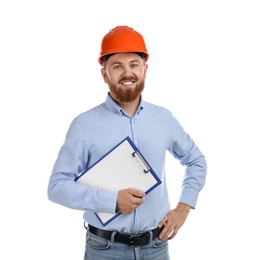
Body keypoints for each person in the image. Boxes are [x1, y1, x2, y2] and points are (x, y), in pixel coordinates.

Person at [47, 25, 207, 260]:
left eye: (134, 64)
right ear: (105, 74)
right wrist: (111, 201)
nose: (127, 73)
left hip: (156, 247)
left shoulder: (163, 119)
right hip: (105, 250)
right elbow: (57, 187)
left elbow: (196, 161)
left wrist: (183, 208)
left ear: (145, 70)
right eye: (117, 66)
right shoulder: (84, 125)